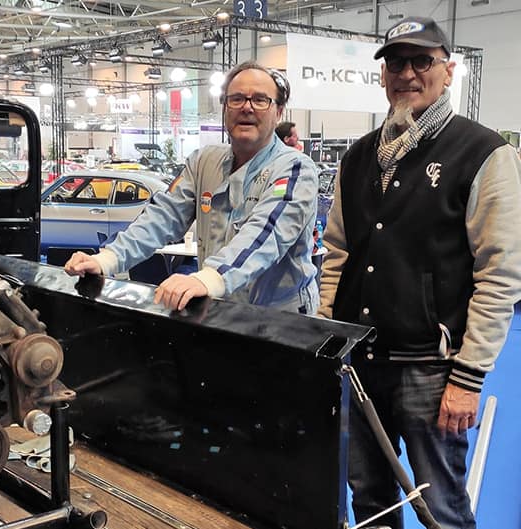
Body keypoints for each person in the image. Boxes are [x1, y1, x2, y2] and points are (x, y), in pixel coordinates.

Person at [318, 16, 521, 529]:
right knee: (369, 501)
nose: (407, 73)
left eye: (421, 61)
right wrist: (326, 335)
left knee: (442, 509)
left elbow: (500, 273)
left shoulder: (483, 153)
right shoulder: (360, 156)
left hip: (430, 370)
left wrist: (469, 376)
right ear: (384, 75)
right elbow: (337, 252)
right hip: (356, 362)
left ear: (448, 70)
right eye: (395, 62)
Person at [65, 61, 319, 313]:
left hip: (281, 325)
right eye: (237, 99)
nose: (247, 108)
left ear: (279, 112)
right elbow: (163, 217)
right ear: (225, 107)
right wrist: (106, 260)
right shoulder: (203, 162)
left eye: (261, 100)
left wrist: (207, 279)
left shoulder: (296, 170)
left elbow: (266, 235)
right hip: (219, 313)